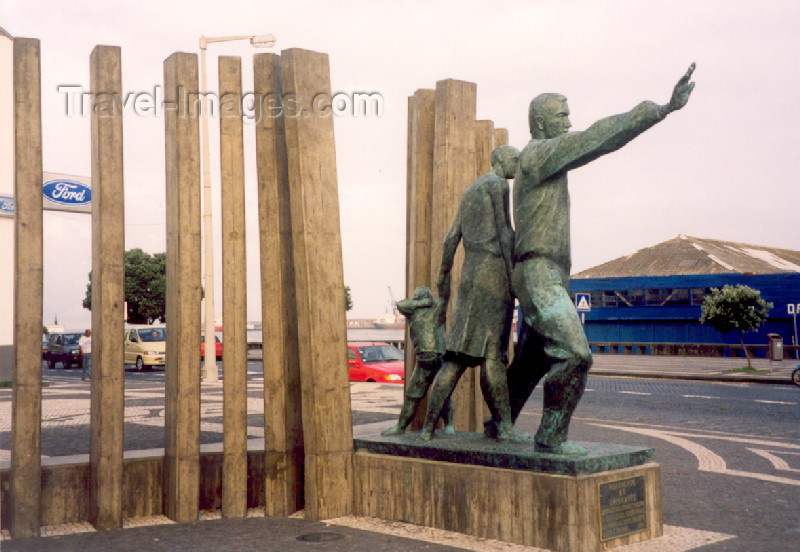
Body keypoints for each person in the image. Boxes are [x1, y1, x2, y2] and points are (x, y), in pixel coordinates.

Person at [500, 63, 697, 455]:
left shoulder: (544, 158)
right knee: (575, 355)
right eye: (562, 115)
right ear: (540, 124)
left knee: (530, 364)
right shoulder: (539, 154)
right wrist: (660, 109)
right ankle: (551, 437)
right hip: (538, 272)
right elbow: (598, 138)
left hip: (549, 272)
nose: (570, 122)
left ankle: (496, 424)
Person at [421, 146, 521, 441]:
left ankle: (428, 428)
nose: (518, 165)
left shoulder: (470, 190)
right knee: (491, 356)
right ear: (500, 160)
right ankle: (504, 428)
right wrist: (514, 277)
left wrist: (444, 288)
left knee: (458, 357)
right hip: (493, 275)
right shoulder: (497, 184)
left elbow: (450, 239)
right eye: (515, 159)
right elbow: (505, 233)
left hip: (470, 275)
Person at [381, 286, 454, 435]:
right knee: (413, 396)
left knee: (442, 393)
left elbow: (445, 294)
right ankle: (401, 427)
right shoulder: (412, 311)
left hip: (439, 357)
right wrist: (422, 303)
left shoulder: (438, 309)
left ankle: (449, 425)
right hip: (423, 360)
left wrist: (427, 302)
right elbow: (400, 304)